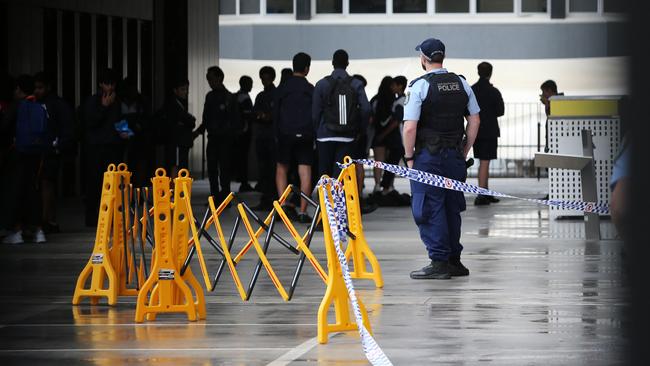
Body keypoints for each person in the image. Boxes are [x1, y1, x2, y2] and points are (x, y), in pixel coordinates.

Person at [402, 38, 481, 280]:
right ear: (442, 57)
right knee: (451, 206)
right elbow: (475, 120)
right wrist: (465, 149)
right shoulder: (462, 83)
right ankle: (453, 261)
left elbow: (409, 128)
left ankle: (438, 262)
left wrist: (409, 158)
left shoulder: (419, 87)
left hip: (429, 157)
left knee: (428, 206)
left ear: (423, 59)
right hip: (454, 157)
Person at [2, 75, 48, 244]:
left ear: (18, 89)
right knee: (33, 191)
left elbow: (4, 128)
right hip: (36, 156)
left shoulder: (16, 107)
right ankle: (38, 231)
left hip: (17, 155)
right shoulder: (39, 106)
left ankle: (16, 231)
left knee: (15, 191)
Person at [313, 49, 370, 179]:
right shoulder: (356, 84)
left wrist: (318, 131)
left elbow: (315, 113)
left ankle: (326, 199)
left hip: (324, 136)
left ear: (332, 63)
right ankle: (339, 199)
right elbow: (366, 109)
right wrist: (359, 130)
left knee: (324, 176)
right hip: (347, 137)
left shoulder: (321, 84)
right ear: (347, 63)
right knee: (342, 176)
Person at [81, 69, 128, 227]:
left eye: (113, 84)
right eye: (107, 84)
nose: (110, 87)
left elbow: (119, 121)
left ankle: (112, 215)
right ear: (101, 84)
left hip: (113, 147)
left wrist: (125, 133)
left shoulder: (117, 102)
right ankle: (92, 216)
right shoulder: (93, 101)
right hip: (95, 147)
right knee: (94, 183)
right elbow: (90, 122)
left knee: (113, 183)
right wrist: (103, 107)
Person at [274, 52, 315, 223]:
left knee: (281, 168)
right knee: (305, 171)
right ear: (307, 68)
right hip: (305, 134)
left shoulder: (283, 88)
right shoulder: (311, 89)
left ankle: (282, 207)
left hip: (285, 133)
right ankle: (303, 212)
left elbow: (275, 112)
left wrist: (276, 134)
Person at [33, 71, 75, 233]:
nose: (37, 91)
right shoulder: (34, 103)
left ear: (48, 87)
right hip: (39, 150)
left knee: (47, 184)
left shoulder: (57, 105)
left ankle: (47, 220)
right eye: (35, 88)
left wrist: (58, 145)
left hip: (50, 150)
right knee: (43, 185)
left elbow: (68, 129)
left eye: (40, 87)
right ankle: (46, 220)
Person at [194, 66, 238, 203]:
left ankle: (225, 196)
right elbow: (206, 118)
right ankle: (214, 196)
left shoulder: (229, 98)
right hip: (213, 138)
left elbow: (235, 120)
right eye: (208, 79)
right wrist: (198, 131)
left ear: (219, 78)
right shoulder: (210, 96)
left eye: (211, 79)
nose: (209, 82)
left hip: (225, 139)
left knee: (224, 169)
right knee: (212, 169)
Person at [471, 62, 505, 206]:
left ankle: (485, 191)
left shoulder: (472, 90)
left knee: (482, 161)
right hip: (490, 130)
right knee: (485, 162)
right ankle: (482, 194)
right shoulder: (494, 91)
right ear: (490, 73)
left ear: (478, 72)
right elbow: (500, 111)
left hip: (475, 130)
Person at [118, 76, 152, 188]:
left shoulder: (141, 101)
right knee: (130, 168)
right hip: (126, 139)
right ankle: (132, 193)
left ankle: (137, 194)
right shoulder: (120, 101)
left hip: (139, 139)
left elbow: (147, 119)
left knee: (138, 168)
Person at [252, 66, 278, 211]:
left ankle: (273, 198)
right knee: (263, 170)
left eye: (267, 78)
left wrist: (265, 116)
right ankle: (266, 199)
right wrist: (263, 116)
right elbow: (254, 114)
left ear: (272, 78)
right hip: (262, 137)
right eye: (263, 78)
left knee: (273, 169)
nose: (265, 81)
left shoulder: (276, 94)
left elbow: (275, 115)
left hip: (271, 138)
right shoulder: (261, 96)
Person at [160, 78, 195, 178]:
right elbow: (188, 120)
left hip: (179, 141)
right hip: (176, 142)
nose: (186, 92)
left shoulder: (179, 104)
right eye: (183, 89)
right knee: (175, 165)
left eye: (187, 89)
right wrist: (189, 120)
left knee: (178, 165)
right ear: (175, 91)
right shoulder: (173, 104)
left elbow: (187, 120)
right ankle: (174, 190)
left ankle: (176, 189)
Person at [370, 76, 396, 193]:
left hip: (377, 134)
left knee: (378, 162)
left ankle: (377, 185)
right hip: (391, 135)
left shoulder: (375, 99)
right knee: (390, 163)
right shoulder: (393, 100)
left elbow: (370, 117)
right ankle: (389, 185)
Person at [234, 76, 254, 192]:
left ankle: (243, 180)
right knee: (243, 158)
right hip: (244, 132)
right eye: (249, 83)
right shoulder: (244, 98)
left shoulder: (237, 96)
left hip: (238, 132)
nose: (251, 86)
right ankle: (244, 182)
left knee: (241, 157)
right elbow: (247, 115)